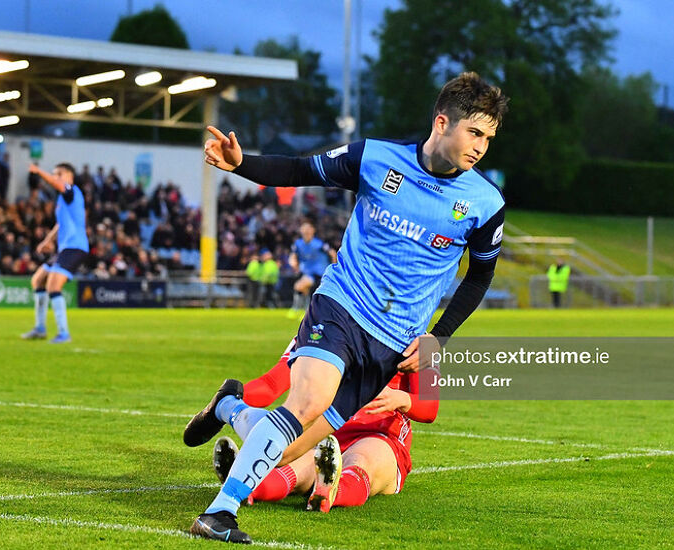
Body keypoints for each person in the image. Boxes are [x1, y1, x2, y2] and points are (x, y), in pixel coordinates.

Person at [187, 71, 508, 542]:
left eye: (489, 137)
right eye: (475, 132)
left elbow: (480, 275)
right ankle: (221, 513)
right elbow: (302, 171)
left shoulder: (485, 203)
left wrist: (440, 336)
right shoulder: (376, 158)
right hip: (342, 304)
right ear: (442, 122)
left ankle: (230, 406)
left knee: (283, 446)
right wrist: (242, 164)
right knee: (309, 400)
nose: (481, 146)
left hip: (391, 344)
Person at [211, 337, 438, 513]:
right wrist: (226, 401)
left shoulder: (422, 339)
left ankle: (330, 492)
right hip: (325, 431)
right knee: (299, 464)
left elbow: (429, 409)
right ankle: (251, 485)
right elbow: (272, 384)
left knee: (363, 459)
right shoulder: (324, 322)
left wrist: (401, 399)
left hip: (380, 436)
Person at [21, 163, 88, 344]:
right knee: (38, 280)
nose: (56, 177)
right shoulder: (63, 200)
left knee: (53, 286)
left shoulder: (72, 191)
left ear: (69, 175)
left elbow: (57, 184)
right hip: (65, 247)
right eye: (54, 174)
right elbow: (61, 224)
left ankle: (64, 334)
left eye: (59, 174)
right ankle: (40, 329)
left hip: (75, 247)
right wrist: (48, 240)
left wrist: (39, 171)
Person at [287, 220, 335, 318]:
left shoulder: (318, 244)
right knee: (305, 290)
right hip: (306, 271)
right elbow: (293, 255)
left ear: (313, 231)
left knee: (299, 286)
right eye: (304, 230)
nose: (306, 232)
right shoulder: (298, 244)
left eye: (308, 230)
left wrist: (333, 267)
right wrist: (293, 262)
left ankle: (295, 309)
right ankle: (307, 312)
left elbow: (332, 253)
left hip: (318, 272)